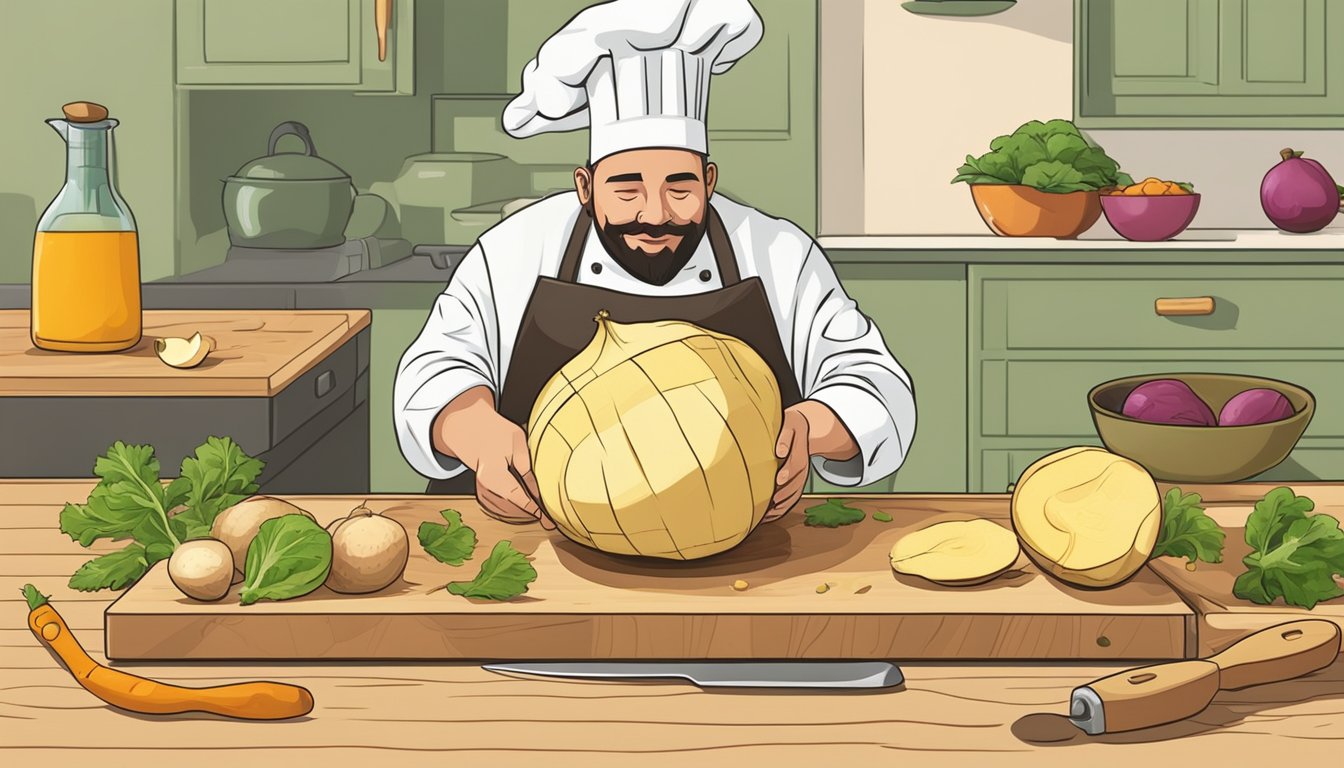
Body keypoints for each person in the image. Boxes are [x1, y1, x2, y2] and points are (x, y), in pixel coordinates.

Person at [395, 0, 916, 526]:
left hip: (739, 544)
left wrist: (813, 427)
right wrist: (478, 434)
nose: (655, 213)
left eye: (680, 186)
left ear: (709, 181)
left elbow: (876, 383)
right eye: (626, 188)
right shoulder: (515, 249)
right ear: (585, 185)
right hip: (539, 536)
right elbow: (433, 369)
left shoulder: (779, 254)